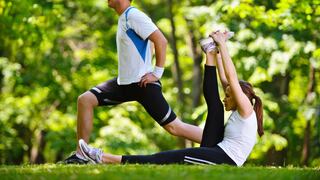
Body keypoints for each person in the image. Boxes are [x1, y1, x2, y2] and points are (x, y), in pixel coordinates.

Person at [78, 31, 264, 166]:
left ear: (241, 97)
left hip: (225, 159)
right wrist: (215, 54)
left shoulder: (246, 109)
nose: (226, 98)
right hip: (217, 147)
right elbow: (225, 81)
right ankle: (208, 52)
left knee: (166, 157)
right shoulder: (242, 109)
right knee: (214, 105)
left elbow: (231, 78)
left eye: (229, 96)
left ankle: (102, 157)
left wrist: (223, 44)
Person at [63, 0, 203, 164]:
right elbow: (148, 43)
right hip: (125, 84)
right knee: (85, 100)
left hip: (143, 85)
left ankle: (221, 144)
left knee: (174, 127)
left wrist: (156, 73)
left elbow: (161, 41)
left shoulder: (133, 15)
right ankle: (82, 155)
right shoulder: (124, 17)